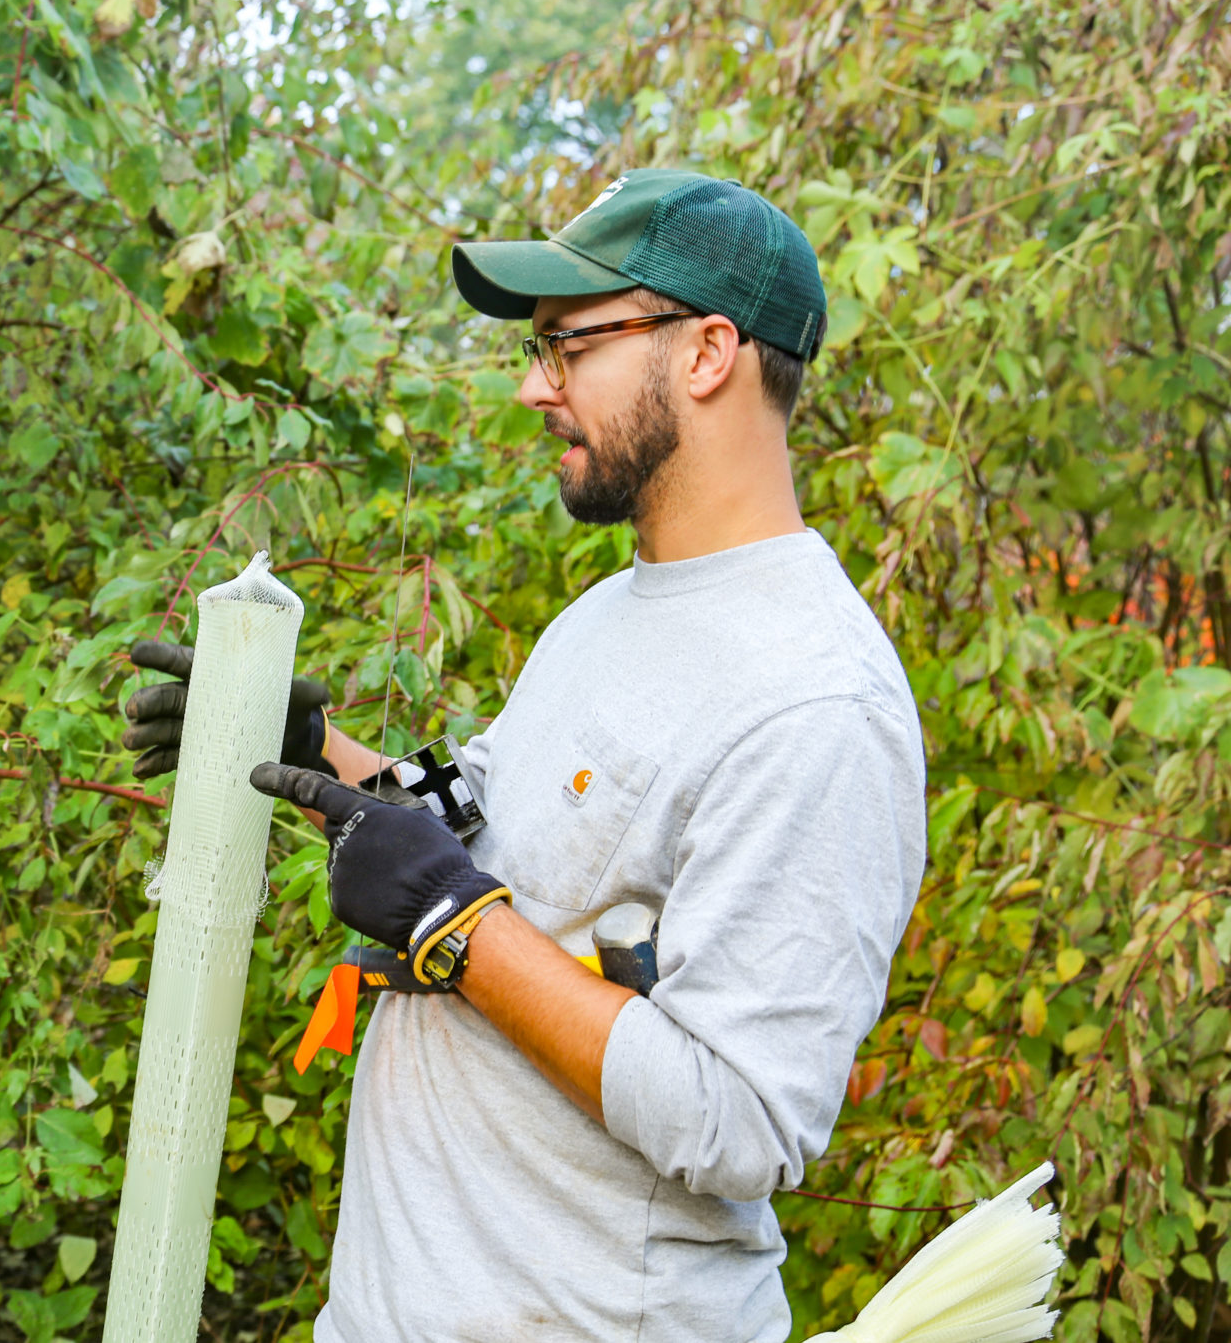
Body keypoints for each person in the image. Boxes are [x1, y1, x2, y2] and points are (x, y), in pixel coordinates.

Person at [121, 169, 927, 1341]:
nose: (528, 387)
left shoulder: (814, 703)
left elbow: (745, 1121)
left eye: (565, 347)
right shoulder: (610, 613)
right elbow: (479, 843)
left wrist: (452, 928)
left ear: (704, 354)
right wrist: (308, 752)